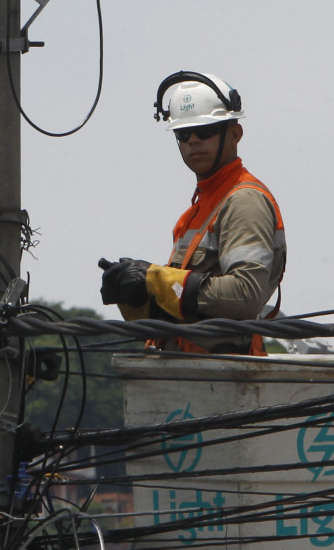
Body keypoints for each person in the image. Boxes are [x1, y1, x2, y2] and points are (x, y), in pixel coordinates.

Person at [97, 71, 286, 355]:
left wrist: (156, 280)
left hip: (226, 376)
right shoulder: (196, 213)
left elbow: (246, 295)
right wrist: (135, 293)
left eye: (206, 131)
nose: (193, 141)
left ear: (235, 134)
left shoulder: (244, 200)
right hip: (184, 372)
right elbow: (183, 304)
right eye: (183, 134)